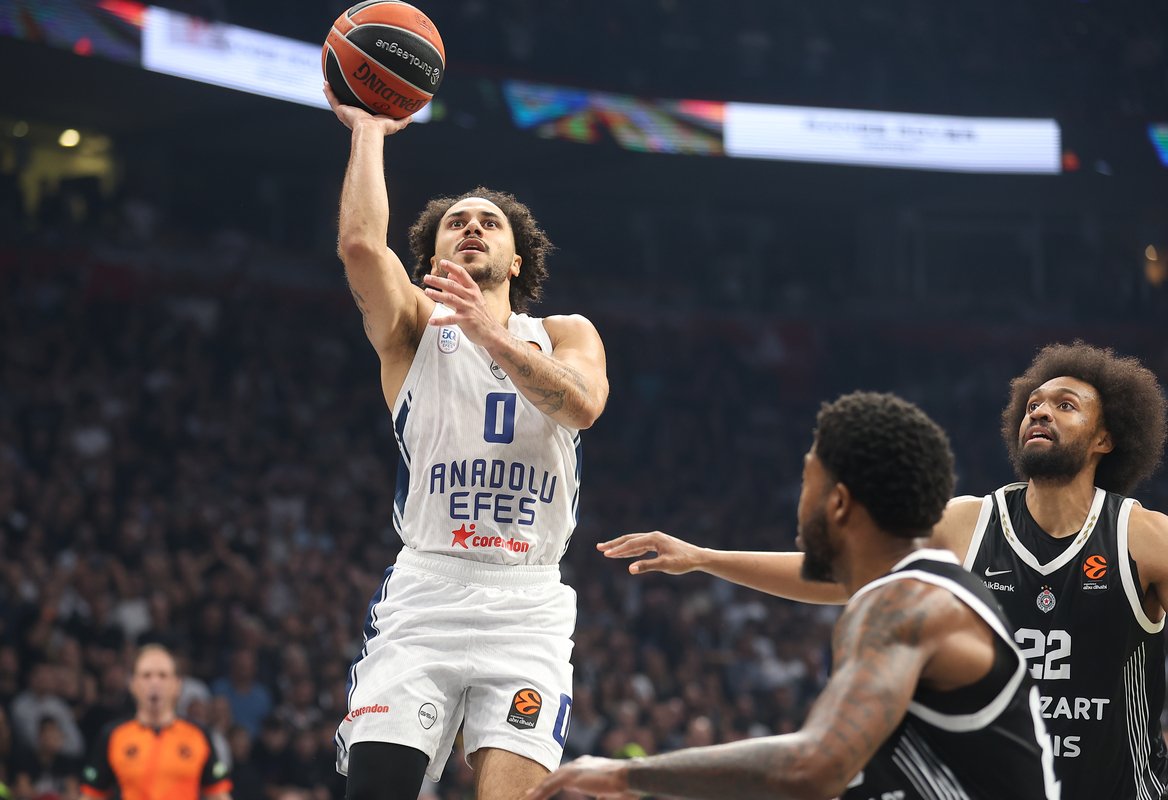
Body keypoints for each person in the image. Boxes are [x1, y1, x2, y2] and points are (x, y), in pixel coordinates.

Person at [601, 341, 1167, 800]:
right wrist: (705, 558)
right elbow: (844, 573)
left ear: (1105, 439)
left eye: (1064, 405)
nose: (1039, 411)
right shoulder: (966, 524)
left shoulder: (1143, 538)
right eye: (1034, 404)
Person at [532, 392, 1059, 800]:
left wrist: (625, 773)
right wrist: (704, 557)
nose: (796, 499)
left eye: (806, 479)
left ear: (839, 502)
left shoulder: (903, 604)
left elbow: (813, 767)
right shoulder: (912, 590)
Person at [322, 84, 609, 800]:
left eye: (489, 223)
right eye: (455, 223)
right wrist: (368, 130)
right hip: (429, 591)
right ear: (434, 251)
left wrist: (490, 331)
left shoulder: (566, 332)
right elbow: (359, 244)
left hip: (527, 604)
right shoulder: (413, 330)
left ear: (516, 261)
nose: (471, 227)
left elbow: (581, 407)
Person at [81, 644, 232, 800]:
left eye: (163, 675)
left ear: (177, 684)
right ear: (133, 684)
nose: (155, 683)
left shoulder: (199, 735)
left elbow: (218, 794)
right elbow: (92, 795)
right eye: (146, 675)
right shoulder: (113, 735)